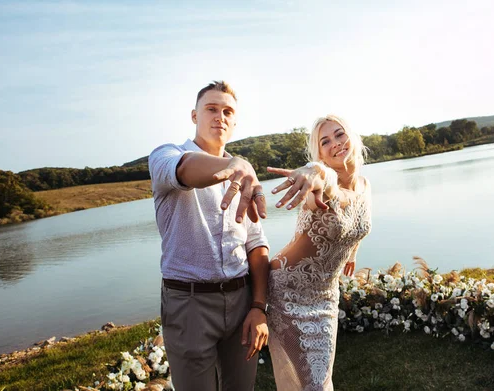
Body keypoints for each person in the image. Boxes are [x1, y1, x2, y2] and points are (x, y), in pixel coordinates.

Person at [149, 81, 295, 390]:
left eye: (228, 111)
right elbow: (186, 170)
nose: (220, 117)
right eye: (211, 109)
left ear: (235, 121)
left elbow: (256, 244)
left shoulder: (244, 174)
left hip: (242, 301)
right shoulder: (166, 155)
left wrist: (258, 307)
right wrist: (233, 165)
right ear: (194, 116)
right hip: (188, 304)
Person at [266, 114, 372, 390]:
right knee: (314, 385)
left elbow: (359, 224)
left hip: (326, 295)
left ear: (352, 136)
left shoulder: (364, 186)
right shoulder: (322, 186)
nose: (335, 143)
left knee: (322, 379)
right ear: (320, 154)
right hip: (287, 292)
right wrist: (313, 172)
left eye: (339, 134)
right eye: (325, 142)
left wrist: (352, 254)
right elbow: (321, 178)